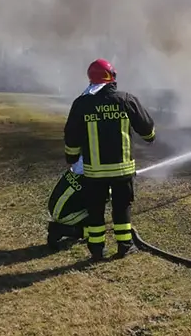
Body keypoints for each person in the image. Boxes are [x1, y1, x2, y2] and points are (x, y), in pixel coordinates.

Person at [63, 58, 156, 261]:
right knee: (122, 206)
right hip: (122, 170)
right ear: (112, 77)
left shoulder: (82, 103)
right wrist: (150, 138)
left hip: (94, 172)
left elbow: (71, 135)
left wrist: (71, 157)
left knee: (95, 209)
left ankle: (97, 250)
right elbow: (147, 128)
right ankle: (124, 246)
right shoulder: (126, 99)